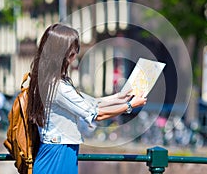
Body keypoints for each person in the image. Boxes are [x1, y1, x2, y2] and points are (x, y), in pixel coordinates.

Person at [27, 23, 147, 174]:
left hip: (57, 151)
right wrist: (129, 106)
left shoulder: (47, 80)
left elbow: (89, 102)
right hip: (58, 154)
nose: (75, 55)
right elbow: (95, 114)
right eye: (73, 51)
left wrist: (121, 97)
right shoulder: (58, 86)